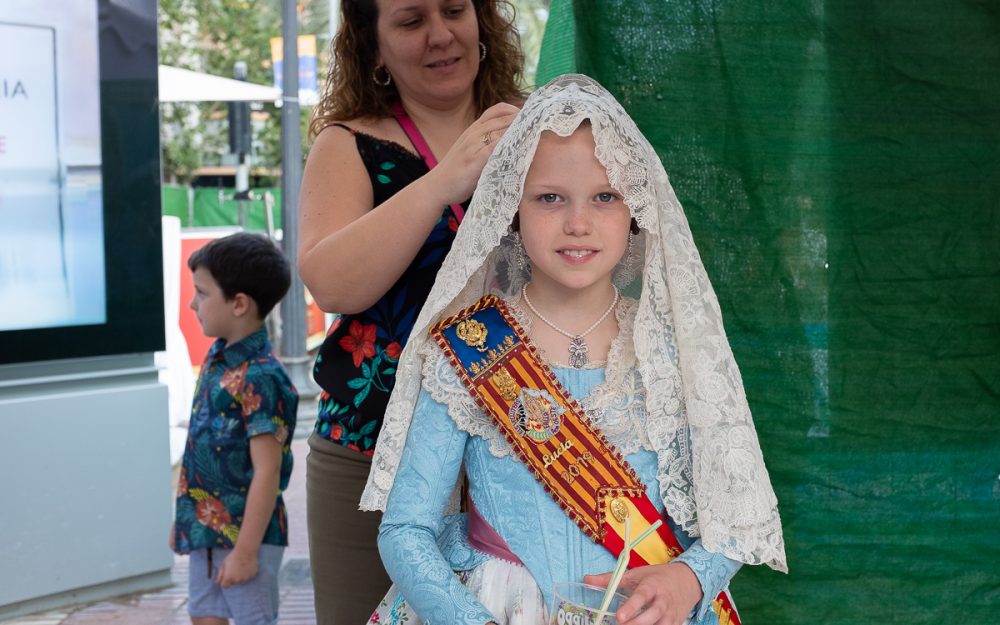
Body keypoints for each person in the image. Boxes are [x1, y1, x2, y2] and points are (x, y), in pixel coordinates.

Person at [360, 75, 788, 625]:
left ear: (635, 211)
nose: (578, 223)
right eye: (550, 198)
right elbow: (405, 531)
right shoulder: (468, 347)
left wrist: (689, 578)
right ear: (512, 209)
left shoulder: (672, 353)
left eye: (605, 197)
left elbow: (736, 515)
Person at [297, 0, 524, 622]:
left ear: (483, 22)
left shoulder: (537, 128)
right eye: (410, 20)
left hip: (527, 456)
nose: (439, 34)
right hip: (374, 459)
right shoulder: (348, 144)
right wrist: (443, 181)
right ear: (372, 46)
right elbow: (332, 286)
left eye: (455, 10)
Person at [171, 232, 299, 625]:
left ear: (239, 303)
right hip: (206, 533)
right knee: (205, 616)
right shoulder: (218, 359)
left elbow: (267, 472)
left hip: (248, 538)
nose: (193, 304)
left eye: (202, 293)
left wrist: (245, 553)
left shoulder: (261, 377)